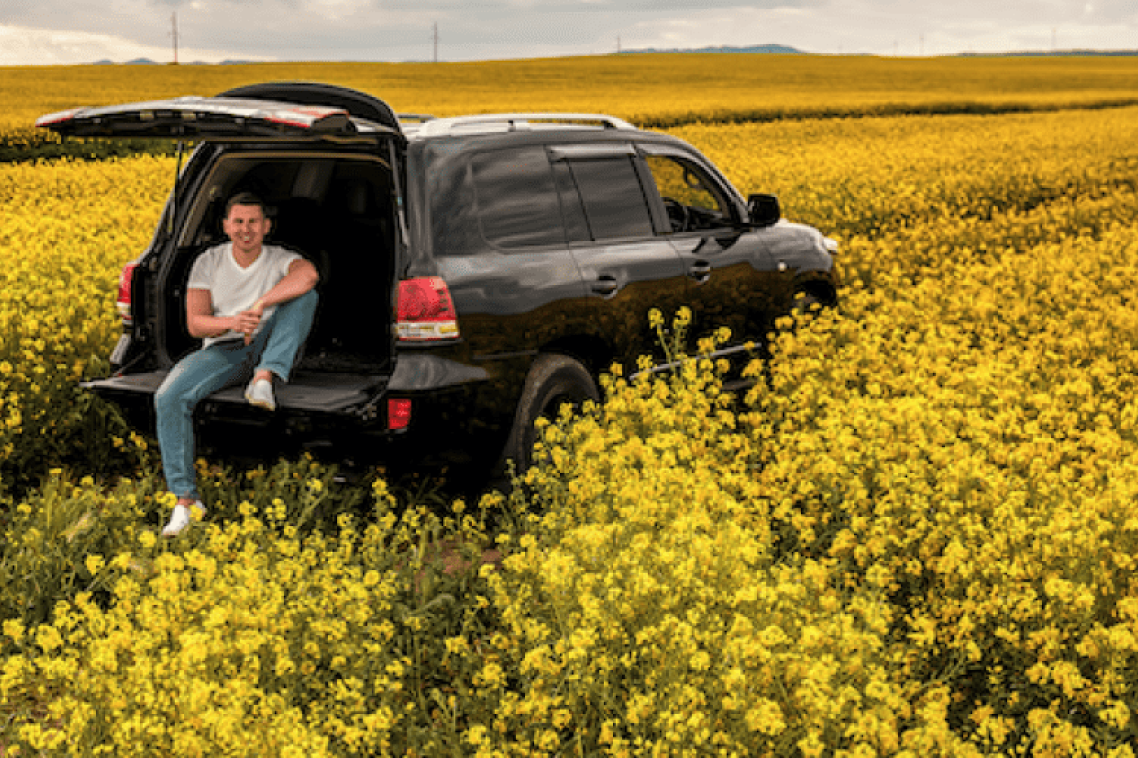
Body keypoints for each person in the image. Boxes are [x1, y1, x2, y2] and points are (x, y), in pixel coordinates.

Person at [155, 192, 320, 536]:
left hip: (273, 342)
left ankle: (265, 376)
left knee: (306, 296)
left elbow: (308, 276)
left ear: (267, 226)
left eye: (254, 222)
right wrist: (232, 322)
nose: (247, 229)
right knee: (168, 396)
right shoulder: (208, 262)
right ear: (227, 226)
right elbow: (196, 324)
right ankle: (185, 502)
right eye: (239, 222)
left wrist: (260, 304)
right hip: (226, 348)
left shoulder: (280, 258)